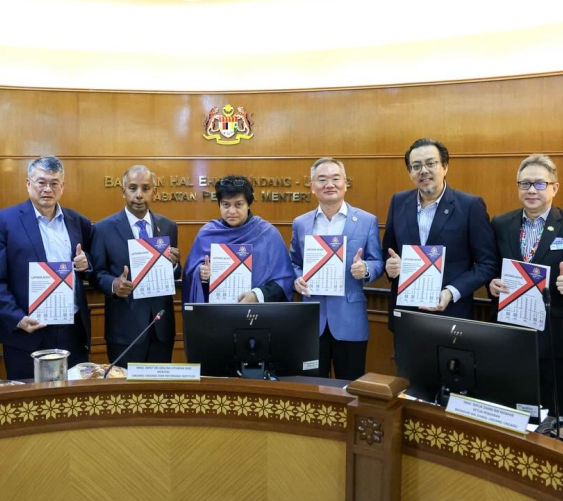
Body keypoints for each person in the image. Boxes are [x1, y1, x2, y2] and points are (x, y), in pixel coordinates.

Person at [488, 154, 563, 417]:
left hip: (555, 337)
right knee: (511, 410)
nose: (531, 190)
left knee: (553, 416)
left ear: (554, 187)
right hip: (511, 334)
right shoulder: (501, 223)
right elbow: (491, 268)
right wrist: (491, 283)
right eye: (524, 184)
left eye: (539, 184)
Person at [0, 156, 95, 379]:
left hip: (70, 328)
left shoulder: (77, 221)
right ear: (28, 183)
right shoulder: (5, 220)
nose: (47, 189)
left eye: (54, 183)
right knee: (27, 402)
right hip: (27, 328)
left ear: (62, 186)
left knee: (72, 399)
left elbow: (91, 262)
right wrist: (17, 318)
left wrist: (86, 264)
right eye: (41, 182)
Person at [382, 138, 498, 325]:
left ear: (445, 167)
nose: (424, 171)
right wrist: (390, 265)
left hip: (451, 313)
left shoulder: (470, 206)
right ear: (410, 172)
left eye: (430, 163)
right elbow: (388, 249)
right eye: (416, 166)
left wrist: (452, 291)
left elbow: (487, 263)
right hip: (406, 314)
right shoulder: (398, 202)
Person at [289, 158, 383, 380]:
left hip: (350, 319)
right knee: (312, 387)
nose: (329, 184)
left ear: (345, 183)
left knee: (349, 386)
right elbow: (293, 262)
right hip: (312, 320)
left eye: (335, 178)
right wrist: (296, 279)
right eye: (321, 179)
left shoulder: (366, 221)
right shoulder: (301, 223)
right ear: (312, 187)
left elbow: (377, 261)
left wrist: (366, 269)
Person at [90, 165, 181, 367]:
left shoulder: (168, 226)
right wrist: (113, 284)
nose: (139, 195)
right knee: (124, 394)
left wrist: (174, 266)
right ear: (123, 191)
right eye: (132, 188)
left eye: (146, 188)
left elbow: (175, 273)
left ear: (154, 192)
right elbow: (96, 273)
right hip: (124, 329)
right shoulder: (103, 228)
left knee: (159, 395)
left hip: (161, 328)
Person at [183, 175, 294, 304]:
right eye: (226, 205)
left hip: (259, 315)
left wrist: (257, 296)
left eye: (238, 204)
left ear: (248, 205)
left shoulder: (267, 234)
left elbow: (284, 279)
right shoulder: (206, 234)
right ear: (219, 204)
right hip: (216, 315)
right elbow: (190, 276)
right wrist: (201, 275)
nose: (232, 211)